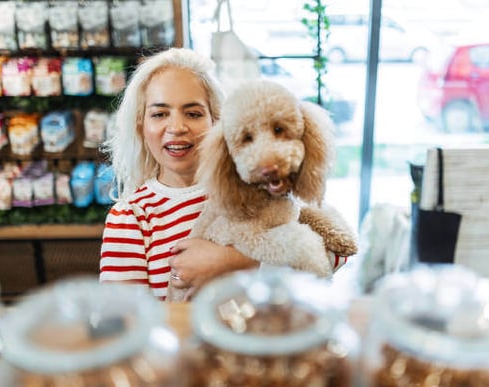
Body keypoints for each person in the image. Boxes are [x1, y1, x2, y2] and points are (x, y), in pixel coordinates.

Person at [99, 47, 349, 301]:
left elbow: (337, 254)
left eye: (193, 113)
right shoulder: (130, 217)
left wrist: (234, 261)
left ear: (217, 122)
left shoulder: (257, 183)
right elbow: (126, 323)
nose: (176, 127)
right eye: (160, 114)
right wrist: (182, 278)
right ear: (141, 126)